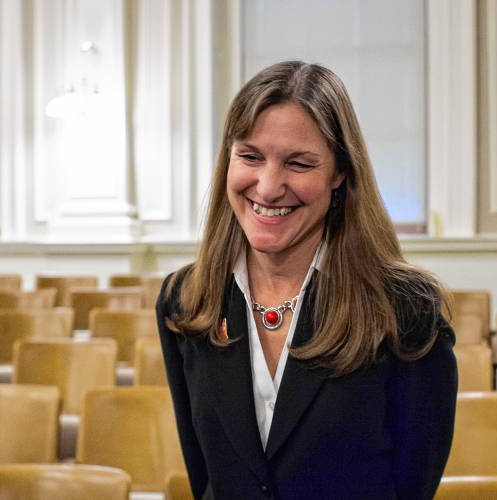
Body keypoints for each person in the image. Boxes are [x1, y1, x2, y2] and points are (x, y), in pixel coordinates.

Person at [156, 61, 458, 500]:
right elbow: (208, 479)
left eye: (298, 163)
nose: (269, 186)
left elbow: (413, 485)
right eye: (251, 156)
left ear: (339, 173)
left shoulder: (406, 310)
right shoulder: (184, 301)